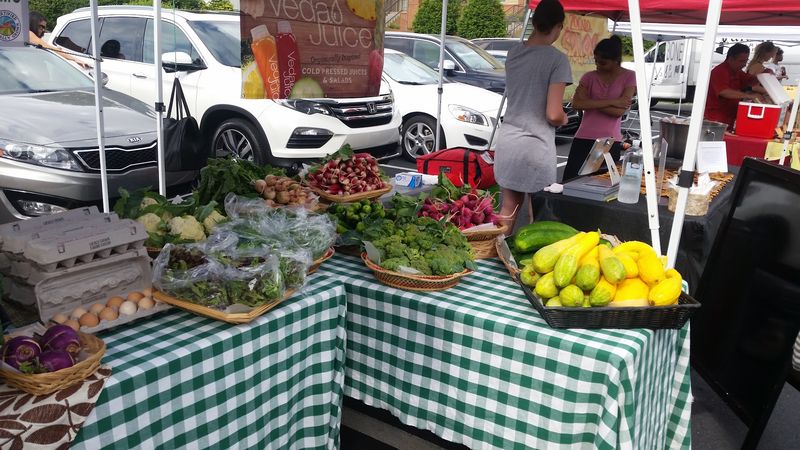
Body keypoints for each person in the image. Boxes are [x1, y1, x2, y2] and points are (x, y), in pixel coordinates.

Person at [493, 0, 572, 229]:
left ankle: (494, 256)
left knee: (508, 209)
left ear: (535, 22)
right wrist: (565, 118)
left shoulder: (514, 53)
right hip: (535, 146)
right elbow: (554, 114)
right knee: (536, 216)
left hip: (508, 142)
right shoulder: (557, 60)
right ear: (558, 26)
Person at [562, 35, 636, 183]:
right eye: (596, 61)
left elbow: (619, 112)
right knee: (570, 184)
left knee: (604, 184)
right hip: (582, 137)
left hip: (609, 141)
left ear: (616, 60)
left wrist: (590, 102)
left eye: (603, 63)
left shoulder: (629, 76)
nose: (598, 66)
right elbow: (577, 104)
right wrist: (614, 101)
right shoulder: (589, 77)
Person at [704, 43, 766, 131]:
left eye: (746, 61)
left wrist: (766, 76)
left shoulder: (737, 72)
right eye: (741, 61)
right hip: (716, 120)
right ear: (731, 59)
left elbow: (751, 80)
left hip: (729, 117)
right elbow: (724, 91)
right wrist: (750, 96)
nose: (744, 64)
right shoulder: (719, 71)